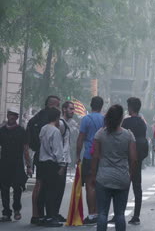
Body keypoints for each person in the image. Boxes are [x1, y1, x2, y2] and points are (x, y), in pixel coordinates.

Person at [91, 105, 137, 231]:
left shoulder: (100, 134)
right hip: (122, 178)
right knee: (120, 214)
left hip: (103, 177)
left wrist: (93, 175)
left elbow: (95, 156)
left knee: (102, 213)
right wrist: (130, 175)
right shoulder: (128, 135)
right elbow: (133, 159)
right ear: (121, 118)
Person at [27, 95, 60, 225]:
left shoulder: (36, 118)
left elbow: (30, 138)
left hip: (38, 155)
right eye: (57, 105)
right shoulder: (48, 119)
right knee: (48, 187)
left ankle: (36, 214)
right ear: (52, 105)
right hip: (48, 156)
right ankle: (47, 215)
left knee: (39, 184)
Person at [76, 96, 104, 225]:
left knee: (90, 185)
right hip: (102, 157)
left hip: (89, 156)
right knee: (100, 186)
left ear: (91, 105)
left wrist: (77, 155)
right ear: (101, 106)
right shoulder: (105, 120)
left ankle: (92, 214)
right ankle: (99, 212)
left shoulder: (86, 119)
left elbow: (81, 138)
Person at [37, 107, 67, 227]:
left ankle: (42, 215)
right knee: (52, 191)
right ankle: (50, 216)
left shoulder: (43, 129)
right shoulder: (55, 131)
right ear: (57, 118)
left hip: (42, 162)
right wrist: (61, 165)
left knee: (43, 190)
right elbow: (58, 150)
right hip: (51, 163)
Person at [0, 108, 30, 222]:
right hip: (4, 164)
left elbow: (26, 149)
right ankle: (6, 213)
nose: (11, 117)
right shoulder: (2, 131)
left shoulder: (21, 131)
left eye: (14, 115)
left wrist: (29, 166)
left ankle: (17, 209)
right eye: (10, 115)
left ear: (17, 117)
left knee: (17, 188)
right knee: (4, 189)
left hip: (17, 164)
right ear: (7, 115)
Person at [120, 97, 147, 225]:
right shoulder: (142, 123)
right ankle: (136, 215)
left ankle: (119, 214)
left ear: (130, 108)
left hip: (126, 159)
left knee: (123, 187)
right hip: (139, 158)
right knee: (137, 187)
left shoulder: (126, 122)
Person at [56, 101, 75, 223]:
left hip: (65, 160)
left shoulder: (67, 123)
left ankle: (55, 213)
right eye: (70, 109)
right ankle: (52, 213)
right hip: (60, 162)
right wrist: (61, 162)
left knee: (60, 188)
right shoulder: (61, 124)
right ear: (64, 109)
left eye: (73, 109)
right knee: (57, 188)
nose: (72, 111)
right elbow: (58, 144)